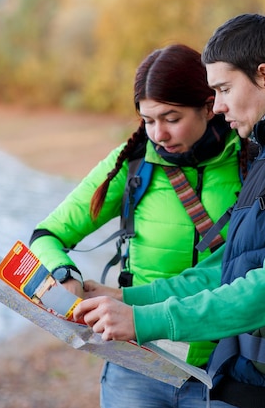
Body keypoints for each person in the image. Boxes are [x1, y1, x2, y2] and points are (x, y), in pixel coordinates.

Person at [75, 13, 265, 408]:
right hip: (250, 377)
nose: (217, 107)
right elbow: (226, 269)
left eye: (224, 88)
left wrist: (145, 322)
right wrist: (128, 298)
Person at [29, 44, 245, 408]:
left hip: (224, 369)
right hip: (137, 367)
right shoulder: (131, 165)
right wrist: (65, 274)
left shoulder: (252, 161)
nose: (158, 134)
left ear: (209, 106)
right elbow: (47, 235)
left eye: (171, 118)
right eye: (148, 120)